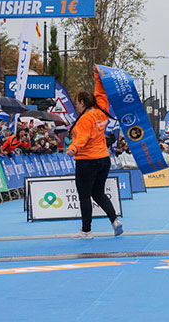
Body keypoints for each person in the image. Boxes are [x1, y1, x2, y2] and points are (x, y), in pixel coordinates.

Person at [66, 91, 123, 239]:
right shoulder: (101, 113)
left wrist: (73, 148)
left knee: (84, 196)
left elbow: (83, 137)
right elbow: (103, 96)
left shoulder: (85, 119)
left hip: (87, 160)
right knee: (98, 193)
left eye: (77, 102)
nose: (76, 106)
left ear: (83, 103)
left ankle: (86, 230)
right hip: (103, 158)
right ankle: (114, 221)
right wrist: (98, 76)